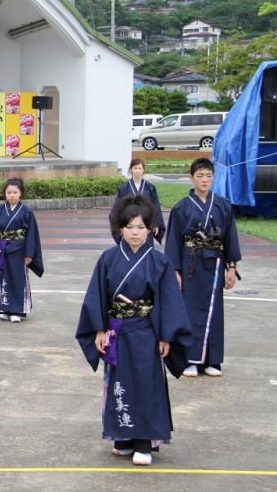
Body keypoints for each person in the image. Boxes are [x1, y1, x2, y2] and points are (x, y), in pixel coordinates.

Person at [76, 195, 192, 466]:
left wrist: (166, 336)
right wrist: (98, 330)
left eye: (141, 227)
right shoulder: (108, 258)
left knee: (147, 383)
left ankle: (143, 442)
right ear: (120, 230)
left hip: (147, 332)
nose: (135, 233)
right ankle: (122, 437)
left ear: (150, 229)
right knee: (119, 382)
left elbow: (169, 300)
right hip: (117, 331)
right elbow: (97, 297)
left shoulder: (158, 261)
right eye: (129, 227)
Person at [165, 158, 241, 377]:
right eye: (200, 175)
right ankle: (190, 359)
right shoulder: (181, 207)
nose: (204, 180)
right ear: (191, 178)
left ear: (213, 177)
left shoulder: (223, 205)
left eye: (208, 175)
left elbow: (230, 238)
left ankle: (212, 360)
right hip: (191, 263)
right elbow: (173, 242)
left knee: (214, 311)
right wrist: (175, 271)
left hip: (215, 263)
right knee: (190, 310)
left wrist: (232, 267)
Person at [0, 178, 44, 323]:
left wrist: (29, 254)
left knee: (17, 279)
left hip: (20, 250)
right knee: (3, 278)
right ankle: (4, 309)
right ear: (5, 193)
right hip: (2, 249)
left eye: (15, 192)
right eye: (9, 192)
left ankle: (17, 311)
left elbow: (32, 234)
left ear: (20, 193)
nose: (11, 195)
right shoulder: (0, 210)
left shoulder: (26, 212)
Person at [109, 159, 165, 244]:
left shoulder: (150, 188)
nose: (137, 171)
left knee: (146, 251)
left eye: (139, 168)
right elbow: (118, 208)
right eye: (135, 168)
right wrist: (119, 226)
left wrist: (155, 223)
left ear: (143, 170)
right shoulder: (125, 188)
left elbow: (155, 206)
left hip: (146, 223)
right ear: (131, 170)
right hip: (129, 223)